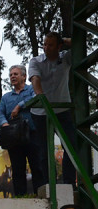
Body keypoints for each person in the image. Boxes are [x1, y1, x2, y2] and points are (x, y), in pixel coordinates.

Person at [29, 32, 76, 188]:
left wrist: (65, 39)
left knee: (70, 146)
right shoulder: (36, 61)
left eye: (50, 45)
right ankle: (49, 184)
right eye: (44, 44)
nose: (46, 48)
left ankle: (69, 182)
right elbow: (35, 79)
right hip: (41, 112)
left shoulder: (66, 58)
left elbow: (80, 44)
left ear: (59, 46)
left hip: (62, 110)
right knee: (43, 150)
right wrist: (41, 98)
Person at [0, 65, 44, 196]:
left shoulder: (32, 90)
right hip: (14, 137)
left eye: (16, 74)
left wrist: (19, 105)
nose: (12, 76)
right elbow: (0, 113)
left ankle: (40, 196)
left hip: (33, 134)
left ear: (24, 76)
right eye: (11, 74)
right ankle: (20, 197)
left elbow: (37, 97)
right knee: (17, 169)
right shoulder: (6, 97)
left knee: (37, 167)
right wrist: (4, 123)